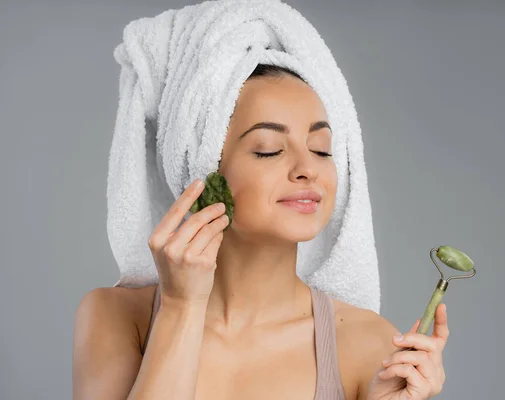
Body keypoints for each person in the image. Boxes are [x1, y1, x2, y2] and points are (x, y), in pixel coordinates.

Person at [73, 63, 448, 400]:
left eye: (321, 149)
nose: (308, 169)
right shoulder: (117, 317)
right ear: (203, 170)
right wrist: (181, 307)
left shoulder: (371, 344)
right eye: (268, 150)